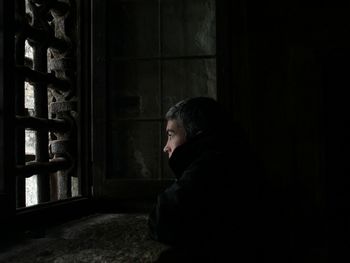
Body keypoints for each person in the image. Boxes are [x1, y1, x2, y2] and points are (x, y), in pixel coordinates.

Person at [148, 97, 262, 262]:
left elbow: (163, 219)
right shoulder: (233, 156)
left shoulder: (213, 165)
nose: (166, 146)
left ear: (197, 134)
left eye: (171, 135)